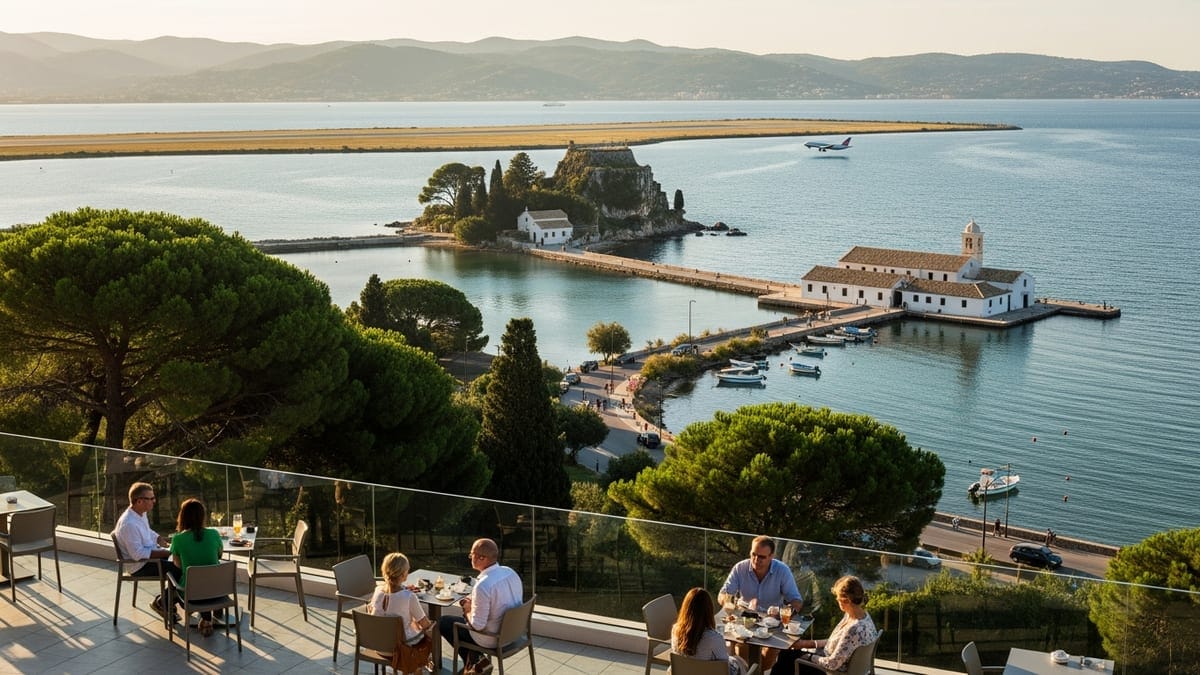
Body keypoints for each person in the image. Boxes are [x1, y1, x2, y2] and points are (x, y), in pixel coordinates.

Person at [718, 536, 803, 670]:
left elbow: (796, 601)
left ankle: (756, 671)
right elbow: (723, 594)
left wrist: (785, 613)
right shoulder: (740, 568)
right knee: (743, 654)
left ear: (771, 556)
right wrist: (728, 603)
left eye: (762, 557)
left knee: (769, 653)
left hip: (771, 624)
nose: (756, 560)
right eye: (754, 554)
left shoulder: (782, 571)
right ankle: (748, 670)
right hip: (744, 621)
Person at [439, 538, 522, 674]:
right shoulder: (510, 572)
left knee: (445, 622)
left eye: (472, 555)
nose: (471, 558)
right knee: (463, 621)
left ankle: (477, 664)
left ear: (481, 558)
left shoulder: (483, 585)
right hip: (514, 633)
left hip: (493, 639)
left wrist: (467, 609)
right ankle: (475, 663)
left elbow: (478, 626)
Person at [770, 576, 879, 674]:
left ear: (846, 600)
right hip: (829, 659)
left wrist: (808, 656)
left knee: (785, 660)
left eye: (838, 597)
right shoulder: (861, 616)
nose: (836, 599)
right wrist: (806, 644)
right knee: (787, 655)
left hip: (828, 671)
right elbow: (839, 643)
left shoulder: (854, 628)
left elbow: (832, 664)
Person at [112, 481, 182, 622]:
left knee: (182, 563)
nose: (154, 501)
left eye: (153, 498)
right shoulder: (129, 524)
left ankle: (165, 601)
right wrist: (166, 552)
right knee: (180, 569)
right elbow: (138, 555)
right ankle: (162, 603)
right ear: (139, 501)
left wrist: (159, 539)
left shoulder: (139, 514)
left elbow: (147, 532)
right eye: (151, 499)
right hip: (141, 566)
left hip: (150, 558)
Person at [168, 498, 223, 637]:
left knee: (174, 578)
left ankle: (164, 604)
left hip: (191, 595)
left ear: (182, 516)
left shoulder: (178, 539)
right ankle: (207, 619)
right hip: (218, 592)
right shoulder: (214, 534)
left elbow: (177, 565)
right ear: (203, 516)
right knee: (204, 579)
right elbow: (219, 555)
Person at [672, 587, 749, 675]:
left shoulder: (675, 630)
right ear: (709, 610)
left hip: (686, 671)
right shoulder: (714, 638)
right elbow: (725, 669)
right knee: (740, 661)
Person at [368, 552, 431, 645]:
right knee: (432, 627)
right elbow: (425, 624)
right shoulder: (409, 596)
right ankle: (430, 658)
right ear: (402, 574)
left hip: (379, 645)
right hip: (401, 647)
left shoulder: (377, 591)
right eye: (407, 570)